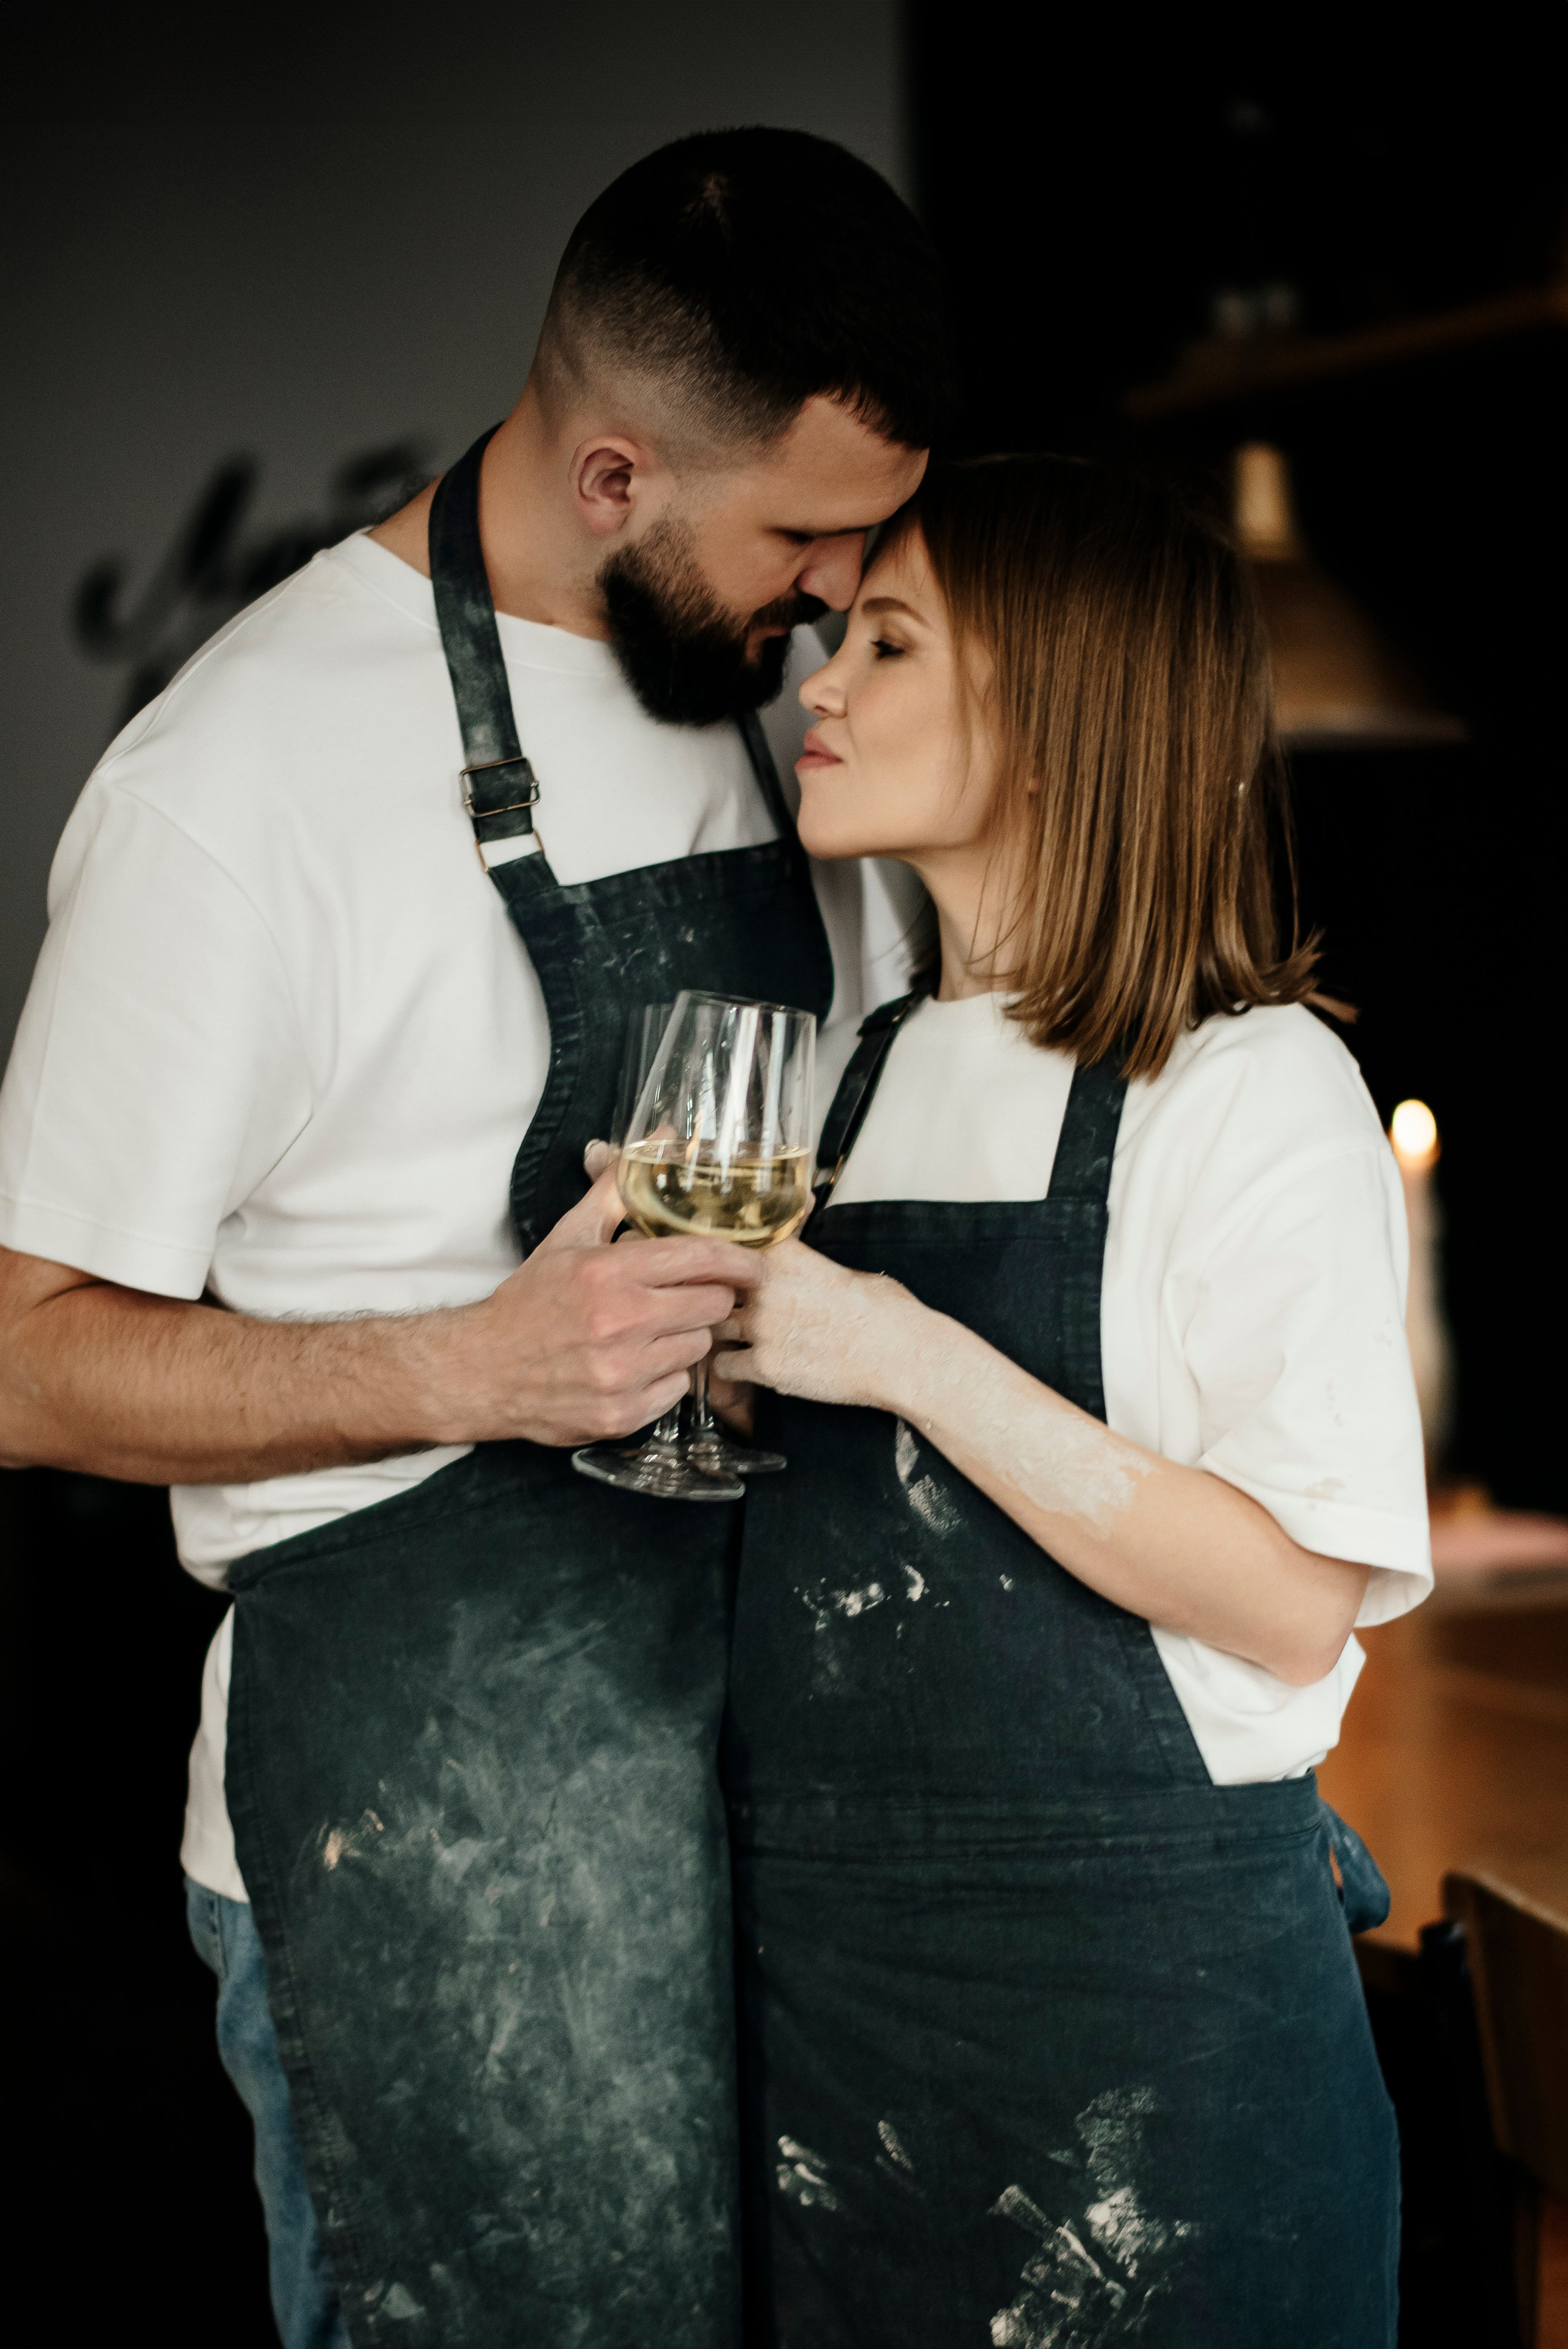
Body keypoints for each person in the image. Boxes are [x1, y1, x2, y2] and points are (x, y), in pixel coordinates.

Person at [0, 131, 951, 2348]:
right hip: (430, 1854)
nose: (837, 592)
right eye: (802, 535)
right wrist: (476, 1365)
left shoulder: (814, 722)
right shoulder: (237, 780)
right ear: (617, 476)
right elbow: (22, 1347)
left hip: (772, 1798)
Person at [713, 455, 1430, 2347]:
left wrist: (894, 1352)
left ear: (1056, 706)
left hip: (1157, 2045)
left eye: (887, 639)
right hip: (838, 2040)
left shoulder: (1251, 1088)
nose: (821, 685)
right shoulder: (848, 1084)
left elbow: (1293, 1593)